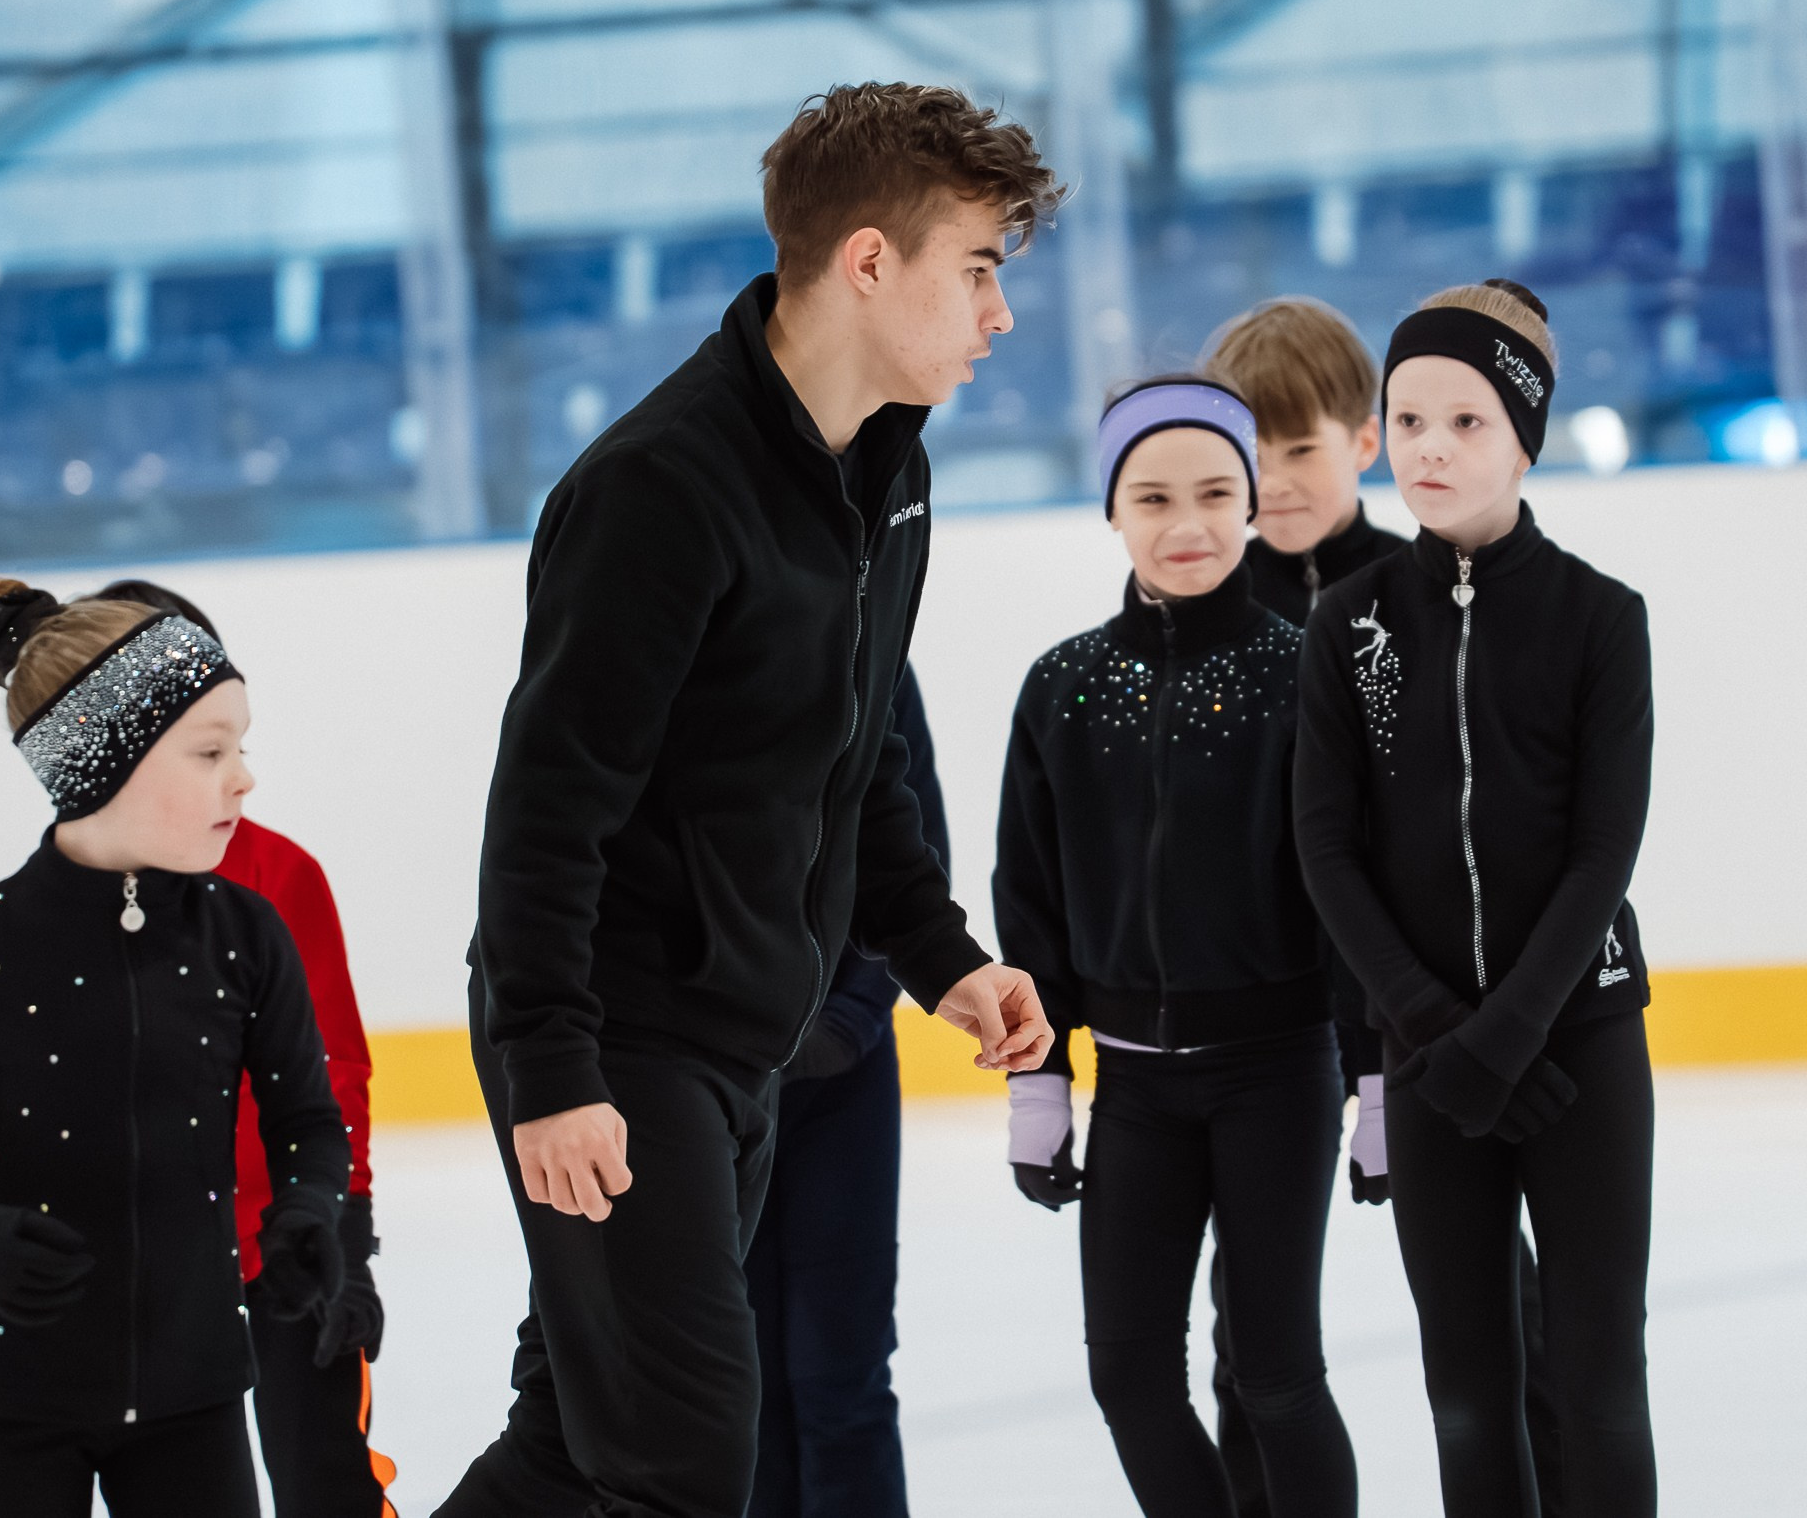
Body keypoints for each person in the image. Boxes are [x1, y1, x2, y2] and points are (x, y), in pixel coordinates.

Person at [436, 82, 1060, 1518]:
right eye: (977, 269)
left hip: (741, 1045)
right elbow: (548, 799)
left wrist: (943, 955)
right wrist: (552, 1065)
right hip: (618, 1032)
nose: (997, 314)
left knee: (578, 1437)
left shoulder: (884, 478)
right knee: (683, 1459)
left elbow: (857, 764)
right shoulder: (660, 487)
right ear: (866, 261)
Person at [0, 580, 353, 1518]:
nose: (244, 778)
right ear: (106, 761)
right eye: (210, 751)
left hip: (194, 1391)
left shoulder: (248, 933)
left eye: (241, 747)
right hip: (13, 1395)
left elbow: (307, 1121)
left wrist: (311, 1214)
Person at [1199, 299, 1567, 1515]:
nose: (1273, 480)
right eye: (1249, 451)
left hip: (1417, 1005)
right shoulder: (1204, 604)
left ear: (1362, 441)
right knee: (1247, 1334)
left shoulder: (1423, 583)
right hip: (1266, 1020)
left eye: (1299, 448)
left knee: (1505, 1310)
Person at [1296, 281, 1657, 1518]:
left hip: (1582, 1045)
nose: (1431, 448)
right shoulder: (1350, 630)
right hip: (1432, 1058)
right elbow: (1326, 850)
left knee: (1602, 1380)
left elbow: (1602, 849)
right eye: (1406, 421)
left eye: (1466, 421)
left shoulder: (1601, 619)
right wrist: (1442, 1035)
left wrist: (1509, 1035)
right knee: (1464, 1387)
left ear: (1523, 435)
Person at [995, 377, 1357, 1518]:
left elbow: (1350, 888)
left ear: (1251, 502)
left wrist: (1379, 1066)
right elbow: (1031, 899)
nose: (1185, 522)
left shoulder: (1308, 669)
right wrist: (1042, 1080)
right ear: (1112, 511)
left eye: (1213, 492)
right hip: (1136, 1089)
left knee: (1276, 1371)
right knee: (1129, 1373)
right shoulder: (1060, 686)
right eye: (1152, 496)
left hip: (1277, 1074)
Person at [94, 579, 396, 1518]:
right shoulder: (67, 892)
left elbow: (336, 1062)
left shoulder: (278, 875)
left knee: (326, 1485)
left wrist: (348, 1224)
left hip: (284, 1249)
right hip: (145, 1272)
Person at [746, 667, 945, 1518]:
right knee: (739, 1386)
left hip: (842, 1082)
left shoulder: (876, 657)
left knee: (842, 1374)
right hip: (702, 1092)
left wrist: (847, 1024)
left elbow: (911, 852)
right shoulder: (657, 639)